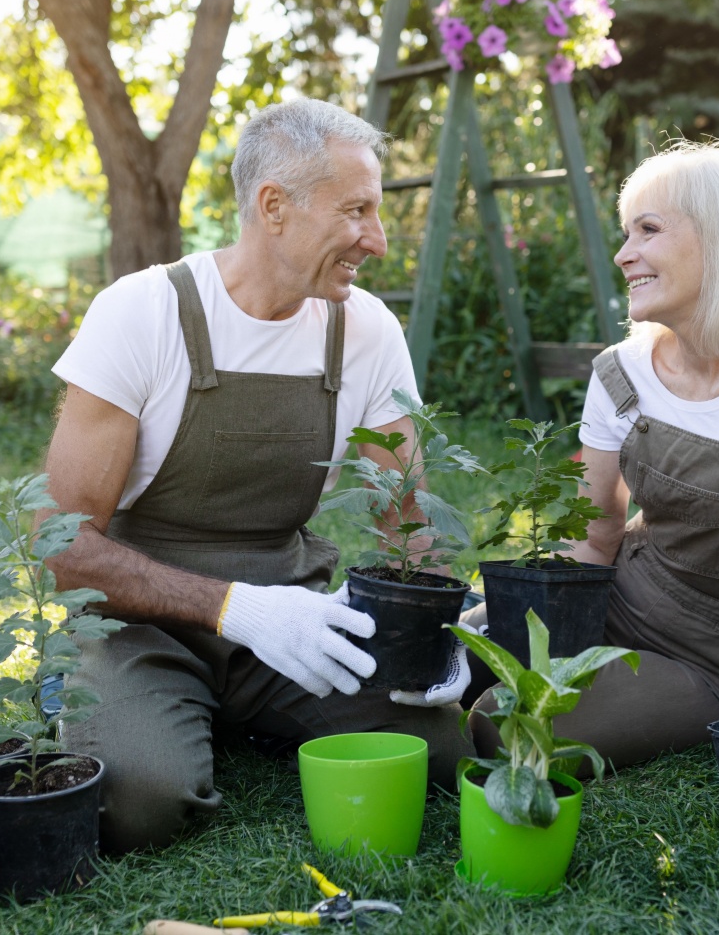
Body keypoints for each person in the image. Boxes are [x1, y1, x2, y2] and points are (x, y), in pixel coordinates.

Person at [42, 99, 471, 854]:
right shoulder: (143, 313)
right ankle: (106, 697)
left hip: (293, 627)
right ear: (274, 206)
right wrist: (240, 611)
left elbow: (406, 519)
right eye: (356, 211)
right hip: (141, 626)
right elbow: (65, 550)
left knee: (442, 748)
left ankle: (235, 710)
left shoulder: (364, 329)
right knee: (142, 801)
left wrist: (433, 629)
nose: (375, 239)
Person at [467, 140, 719, 769]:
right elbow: (594, 538)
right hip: (617, 594)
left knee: (506, 728)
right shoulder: (621, 371)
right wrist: (533, 634)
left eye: (648, 230)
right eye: (626, 233)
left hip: (718, 654)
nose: (624, 255)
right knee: (448, 662)